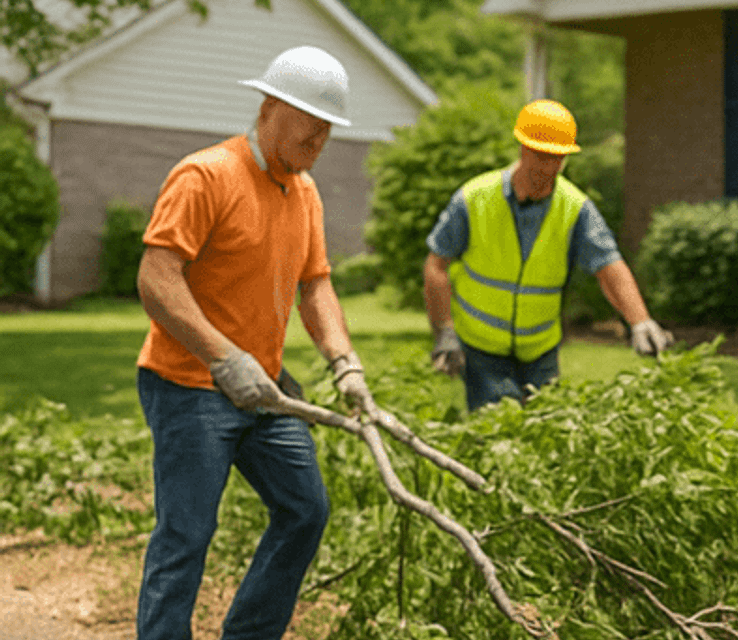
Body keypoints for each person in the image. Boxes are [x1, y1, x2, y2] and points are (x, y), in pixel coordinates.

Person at [134, 46, 377, 640]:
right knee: (186, 533)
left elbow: (315, 286)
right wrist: (222, 357)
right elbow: (156, 278)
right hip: (189, 386)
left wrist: (345, 362)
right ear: (272, 107)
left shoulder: (306, 192)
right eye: (311, 124)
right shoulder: (207, 175)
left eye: (328, 129)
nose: (319, 138)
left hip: (265, 391)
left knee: (304, 510)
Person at [423, 99, 673, 411]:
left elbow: (608, 264)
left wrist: (640, 321)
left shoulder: (575, 207)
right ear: (522, 148)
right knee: (499, 434)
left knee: (546, 435)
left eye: (558, 158)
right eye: (542, 156)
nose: (549, 167)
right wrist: (445, 331)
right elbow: (436, 265)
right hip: (481, 347)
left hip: (541, 350)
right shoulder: (474, 198)